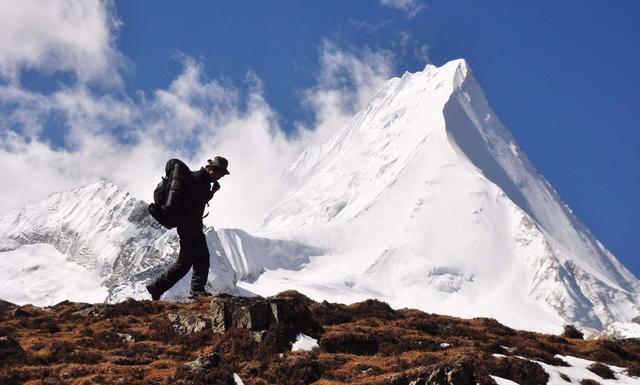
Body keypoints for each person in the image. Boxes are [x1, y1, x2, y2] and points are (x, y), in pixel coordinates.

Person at [146, 156, 230, 300]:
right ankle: (197, 291)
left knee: (184, 264)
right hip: (191, 226)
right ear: (213, 169)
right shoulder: (201, 179)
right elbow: (195, 203)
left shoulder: (199, 179)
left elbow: (193, 200)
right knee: (202, 257)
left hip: (186, 226)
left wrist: (211, 192)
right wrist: (210, 193)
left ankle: (156, 287)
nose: (221, 177)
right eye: (220, 173)